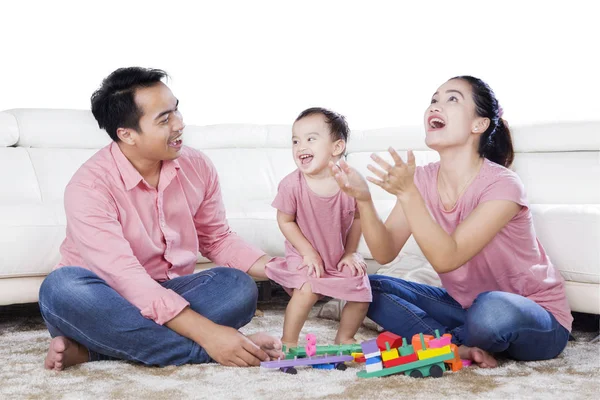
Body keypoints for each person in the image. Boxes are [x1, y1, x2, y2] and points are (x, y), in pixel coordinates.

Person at [38, 67, 283, 371]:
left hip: (169, 292)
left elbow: (216, 238)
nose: (180, 124)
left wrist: (280, 269)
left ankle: (95, 351)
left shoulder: (197, 166)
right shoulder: (88, 188)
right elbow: (125, 277)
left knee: (238, 286)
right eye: (164, 119)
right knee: (61, 288)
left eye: (176, 110)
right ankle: (207, 349)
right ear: (126, 134)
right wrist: (212, 336)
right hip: (105, 296)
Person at [329, 76, 572, 368]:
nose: (436, 106)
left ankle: (443, 339)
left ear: (478, 124)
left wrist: (408, 193)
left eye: (452, 99)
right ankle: (457, 346)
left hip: (533, 312)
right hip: (464, 307)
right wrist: (364, 201)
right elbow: (385, 252)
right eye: (434, 99)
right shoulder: (420, 179)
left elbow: (448, 258)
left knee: (491, 312)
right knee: (368, 287)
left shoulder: (504, 184)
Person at [265, 108, 371, 348]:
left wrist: (351, 252)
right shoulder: (292, 185)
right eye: (295, 141)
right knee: (306, 290)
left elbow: (357, 219)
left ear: (336, 148)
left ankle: (344, 336)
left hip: (338, 253)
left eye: (310, 139)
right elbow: (285, 220)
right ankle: (289, 340)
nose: (300, 146)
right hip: (304, 252)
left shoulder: (350, 183)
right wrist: (308, 252)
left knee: (362, 292)